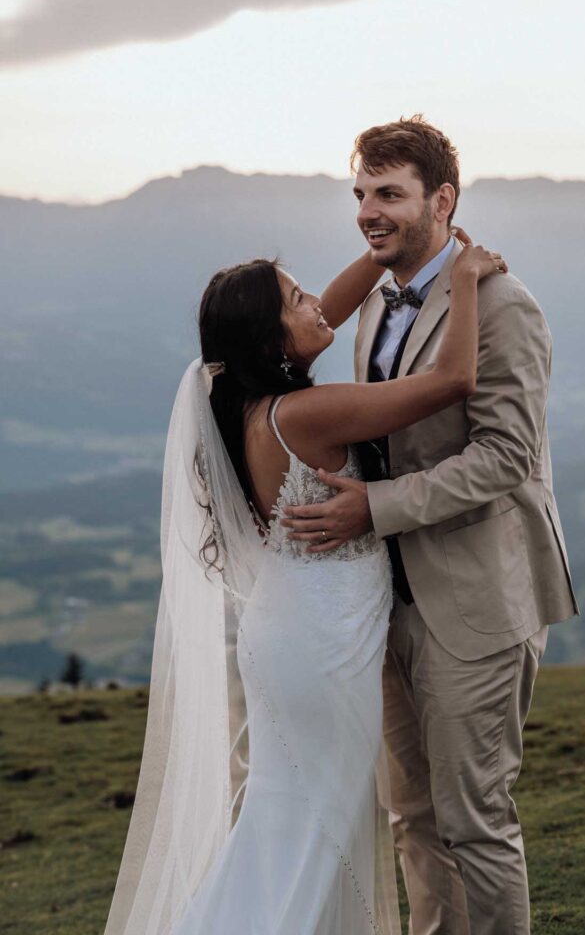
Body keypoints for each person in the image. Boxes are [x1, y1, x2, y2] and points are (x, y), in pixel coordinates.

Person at [103, 225, 506, 932]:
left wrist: (387, 248)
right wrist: (465, 277)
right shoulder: (308, 413)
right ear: (270, 342)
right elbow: (452, 382)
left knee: (293, 825)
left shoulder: (245, 400)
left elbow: (325, 313)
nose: (317, 302)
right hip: (321, 646)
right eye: (297, 299)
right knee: (312, 832)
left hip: (295, 632)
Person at [282, 116, 579, 935]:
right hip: (385, 601)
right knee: (411, 818)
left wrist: (371, 508)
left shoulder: (503, 306)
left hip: (473, 600)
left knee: (474, 821)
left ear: (441, 201)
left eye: (387, 194)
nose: (366, 212)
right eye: (359, 194)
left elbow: (505, 458)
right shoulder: (377, 306)